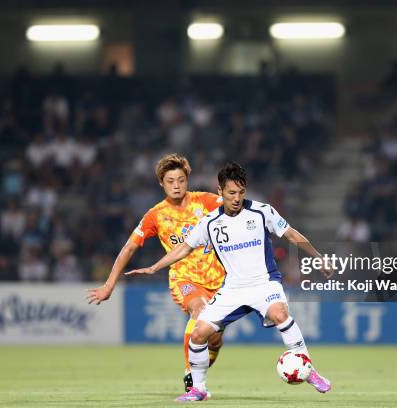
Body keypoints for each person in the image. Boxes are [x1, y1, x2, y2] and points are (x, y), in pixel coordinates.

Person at [129, 161, 332, 401]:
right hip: (233, 288)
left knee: (280, 314)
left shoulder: (261, 211)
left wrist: (318, 257)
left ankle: (308, 369)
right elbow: (183, 249)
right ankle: (198, 389)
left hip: (263, 283)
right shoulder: (209, 222)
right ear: (220, 192)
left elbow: (290, 233)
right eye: (231, 193)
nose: (237, 198)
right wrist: (154, 267)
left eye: (241, 192)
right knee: (198, 334)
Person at [86, 153, 226, 391]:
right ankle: (191, 375)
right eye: (170, 181)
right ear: (162, 183)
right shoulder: (156, 215)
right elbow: (129, 247)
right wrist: (110, 284)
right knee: (199, 309)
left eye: (181, 180)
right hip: (184, 279)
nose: (176, 185)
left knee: (213, 338)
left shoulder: (206, 202)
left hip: (220, 282)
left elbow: (238, 211)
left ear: (187, 180)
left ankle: (200, 365)